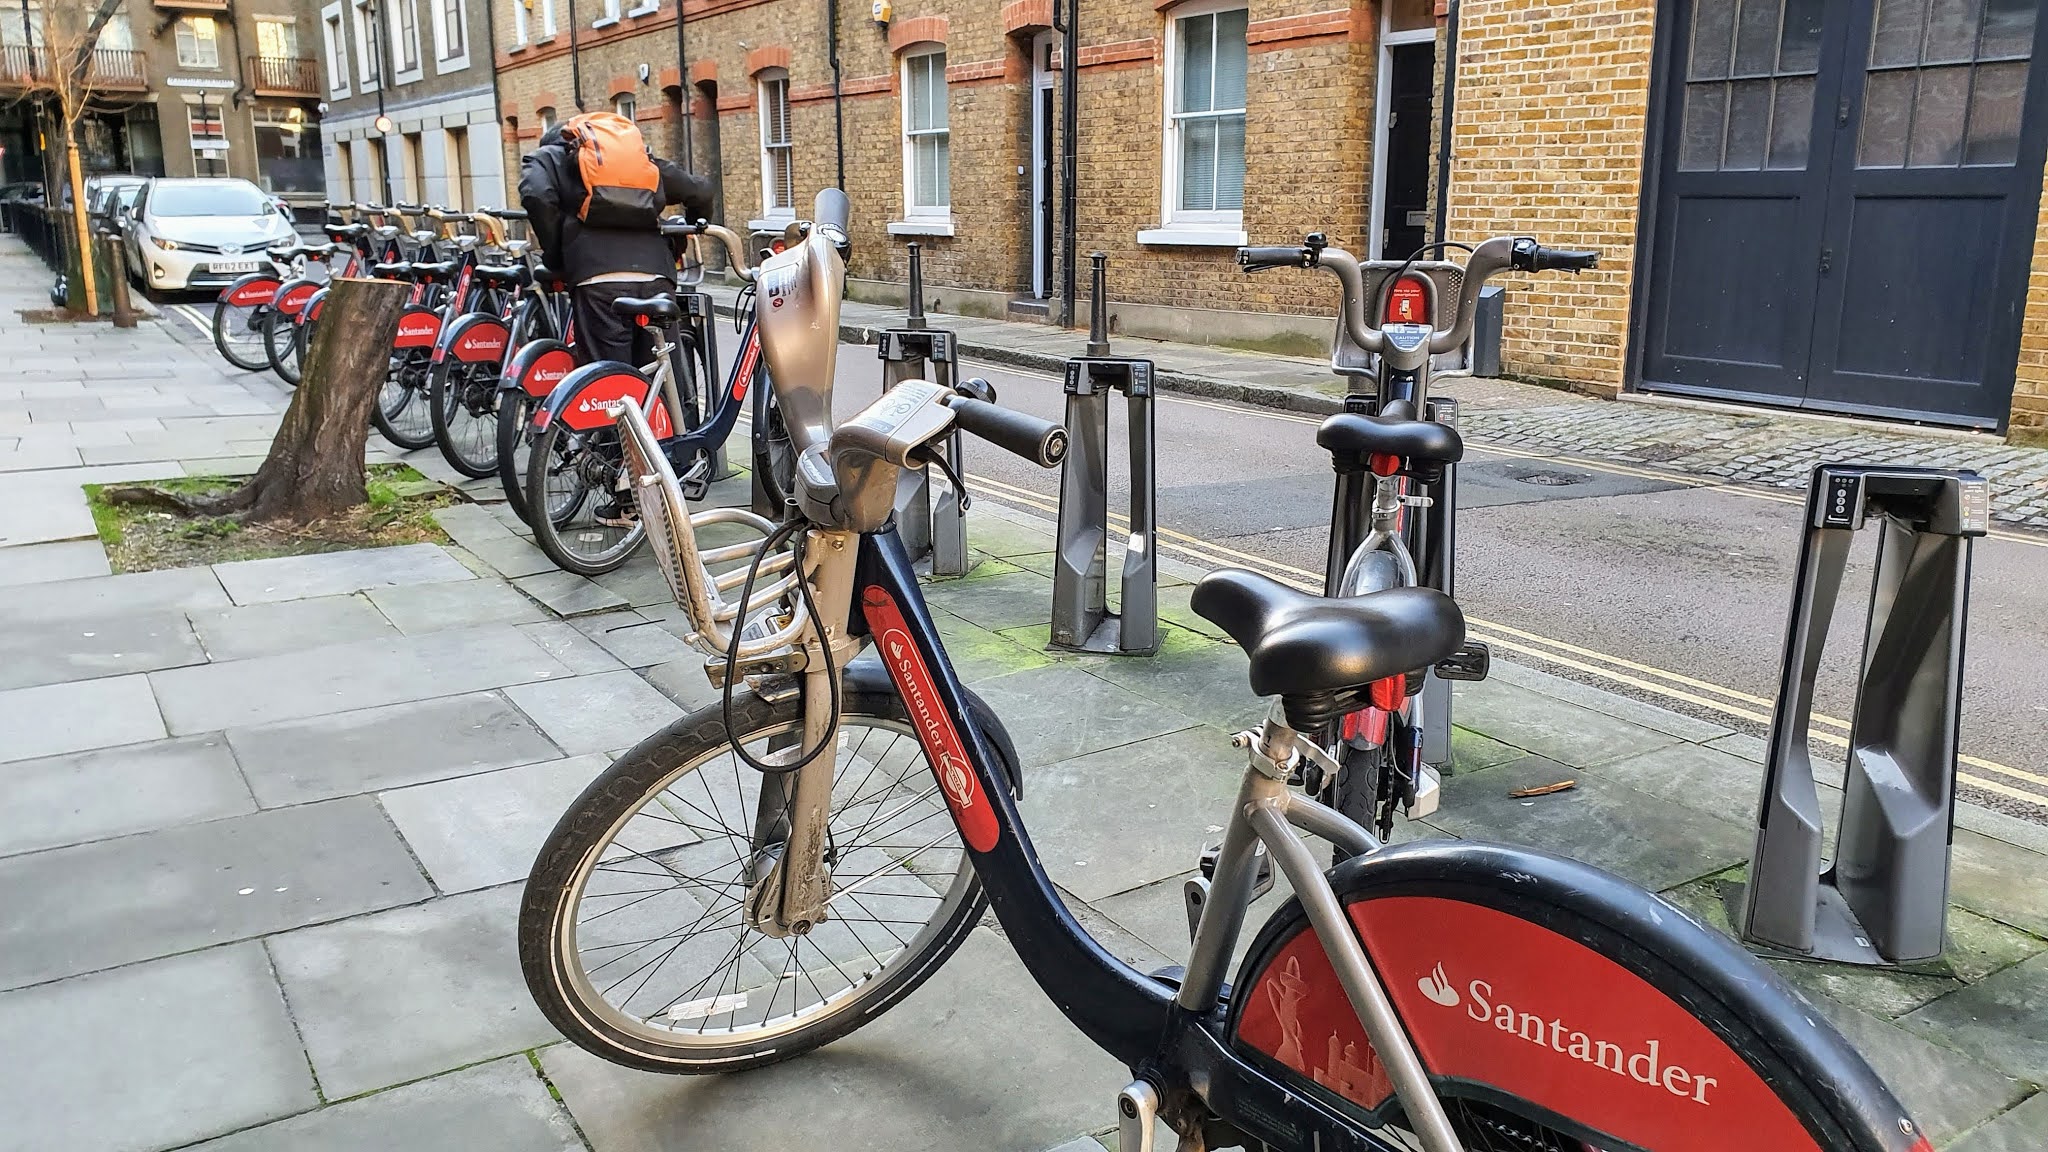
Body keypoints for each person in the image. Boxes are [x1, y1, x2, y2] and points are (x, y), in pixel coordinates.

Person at [519, 118, 716, 367]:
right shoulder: (634, 162)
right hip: (655, 276)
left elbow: (537, 196)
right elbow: (701, 191)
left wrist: (558, 253)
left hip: (596, 280)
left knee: (608, 381)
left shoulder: (546, 159)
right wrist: (691, 227)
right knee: (659, 378)